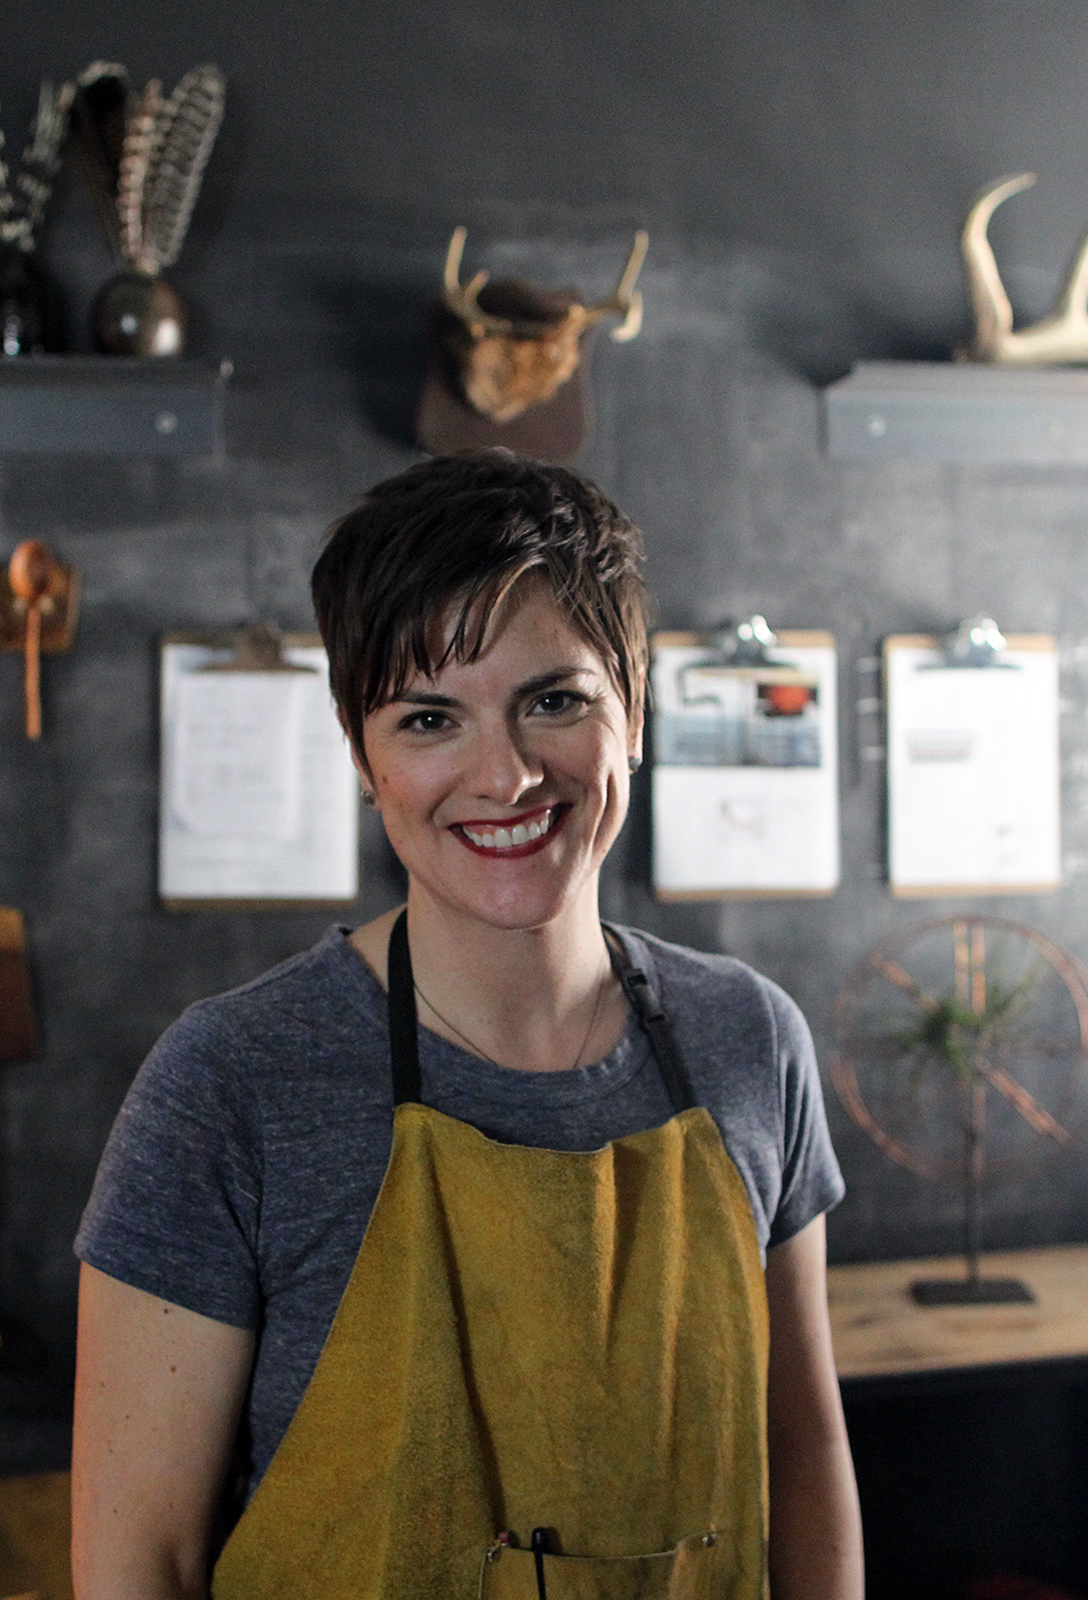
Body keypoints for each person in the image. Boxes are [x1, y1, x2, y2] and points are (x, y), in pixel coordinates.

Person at [72, 450, 862, 1600]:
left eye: (554, 700)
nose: (504, 775)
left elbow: (802, 1455)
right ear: (361, 755)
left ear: (632, 708)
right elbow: (145, 1561)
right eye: (430, 717)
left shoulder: (749, 1040)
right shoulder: (231, 1084)